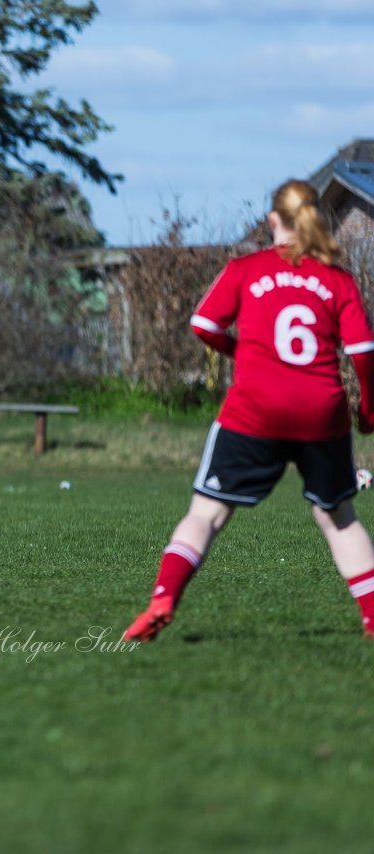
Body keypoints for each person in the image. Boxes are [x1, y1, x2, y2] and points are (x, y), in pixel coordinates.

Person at [123, 179, 374, 642]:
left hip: (255, 409)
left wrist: (238, 348)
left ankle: (163, 598)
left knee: (207, 512)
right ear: (316, 217)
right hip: (321, 411)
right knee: (338, 516)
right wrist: (368, 409)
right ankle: (373, 616)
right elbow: (363, 351)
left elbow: (202, 323)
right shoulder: (337, 279)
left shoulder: (246, 269)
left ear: (272, 220)